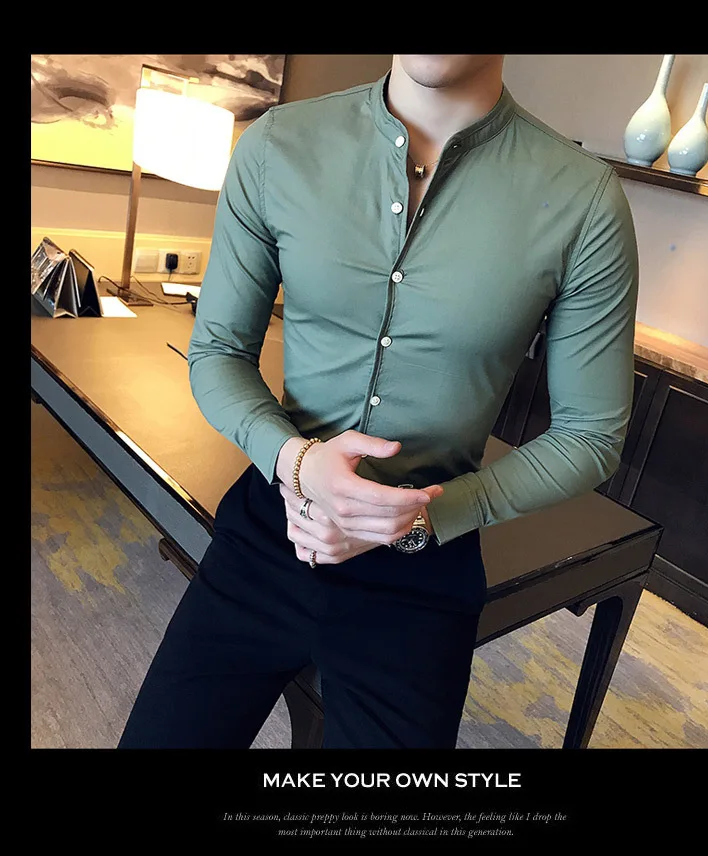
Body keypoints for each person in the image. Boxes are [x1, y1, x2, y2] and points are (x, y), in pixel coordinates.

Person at [118, 54, 638, 749]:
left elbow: (591, 433)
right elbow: (217, 352)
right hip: (272, 527)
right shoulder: (276, 147)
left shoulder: (584, 199)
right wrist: (298, 464)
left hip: (425, 568)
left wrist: (420, 518)